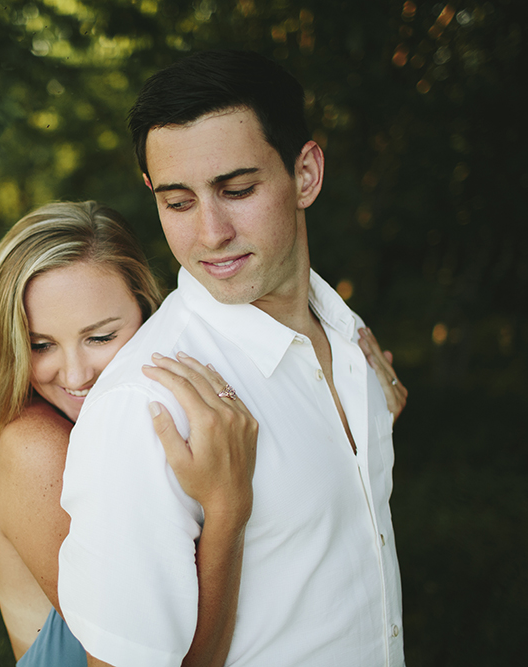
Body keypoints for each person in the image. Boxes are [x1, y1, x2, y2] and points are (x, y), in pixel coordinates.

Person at [58, 50, 409, 666]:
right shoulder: (146, 407)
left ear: (305, 174)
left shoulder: (348, 336)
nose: (211, 232)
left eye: (237, 189)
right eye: (178, 202)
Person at [0, 201, 261, 666]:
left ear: (146, 309)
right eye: (41, 345)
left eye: (99, 337)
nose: (75, 375)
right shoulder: (36, 448)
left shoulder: (132, 422)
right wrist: (227, 509)